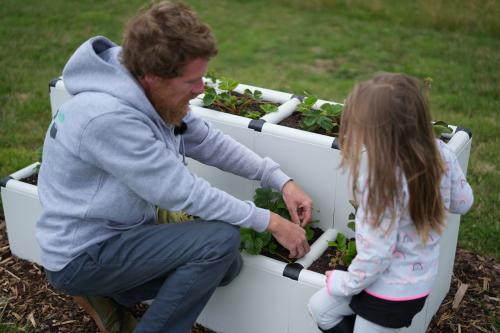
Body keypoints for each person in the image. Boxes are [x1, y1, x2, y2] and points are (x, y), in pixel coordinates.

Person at [36, 1, 313, 332]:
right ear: (153, 77)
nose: (200, 90)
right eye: (192, 81)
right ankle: (106, 291)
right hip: (82, 253)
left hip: (118, 233)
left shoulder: (149, 93)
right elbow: (184, 191)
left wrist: (280, 180)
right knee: (217, 243)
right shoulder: (107, 117)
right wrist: (271, 222)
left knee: (227, 265)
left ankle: (111, 292)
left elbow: (206, 141)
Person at [307, 73, 473, 333]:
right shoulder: (440, 153)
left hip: (388, 295)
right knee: (320, 309)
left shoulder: (379, 182)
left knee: (329, 312)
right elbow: (463, 203)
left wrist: (344, 283)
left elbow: (377, 254)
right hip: (410, 281)